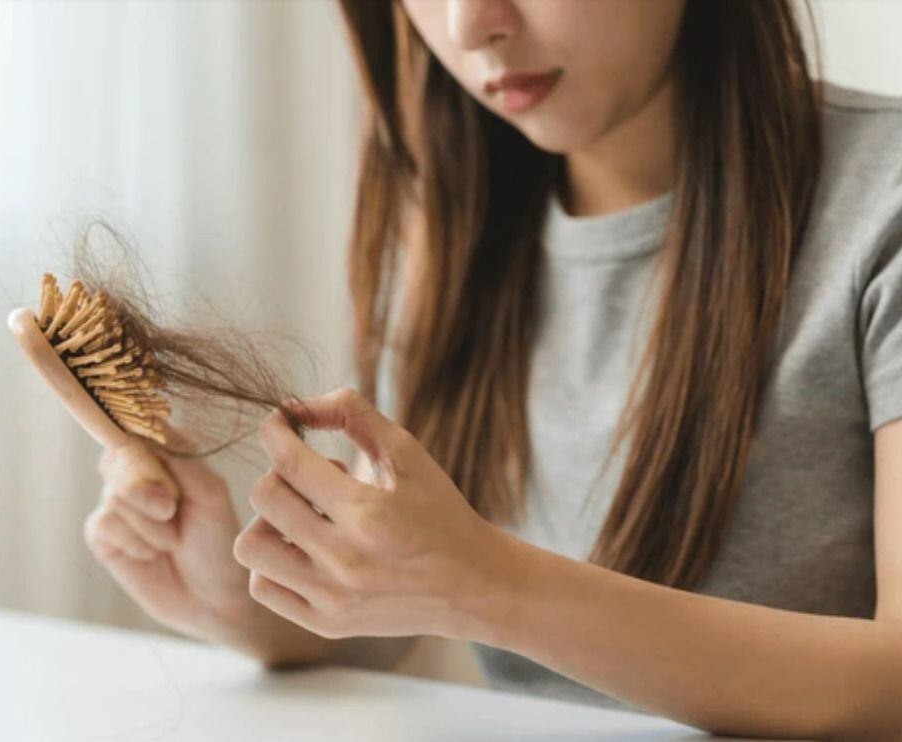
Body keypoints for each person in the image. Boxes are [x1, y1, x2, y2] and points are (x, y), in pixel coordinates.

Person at [84, 1, 902, 737]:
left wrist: (482, 583)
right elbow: (405, 615)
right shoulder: (466, 230)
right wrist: (238, 593)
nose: (471, 24)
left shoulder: (881, 204)